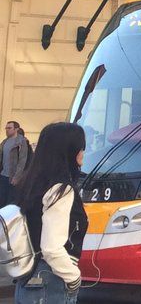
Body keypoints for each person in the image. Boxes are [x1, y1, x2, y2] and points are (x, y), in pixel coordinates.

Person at [13, 122, 89, 304]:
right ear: (68, 150)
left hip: (27, 278)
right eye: (81, 147)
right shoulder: (61, 189)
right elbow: (51, 247)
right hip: (50, 280)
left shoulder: (32, 184)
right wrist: (74, 278)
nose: (83, 152)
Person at [1, 120, 29, 207]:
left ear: (16, 129)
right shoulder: (5, 142)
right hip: (3, 175)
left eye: (9, 128)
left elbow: (22, 161)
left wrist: (17, 177)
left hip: (12, 177)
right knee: (1, 199)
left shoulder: (21, 142)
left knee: (10, 201)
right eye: (6, 128)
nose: (7, 130)